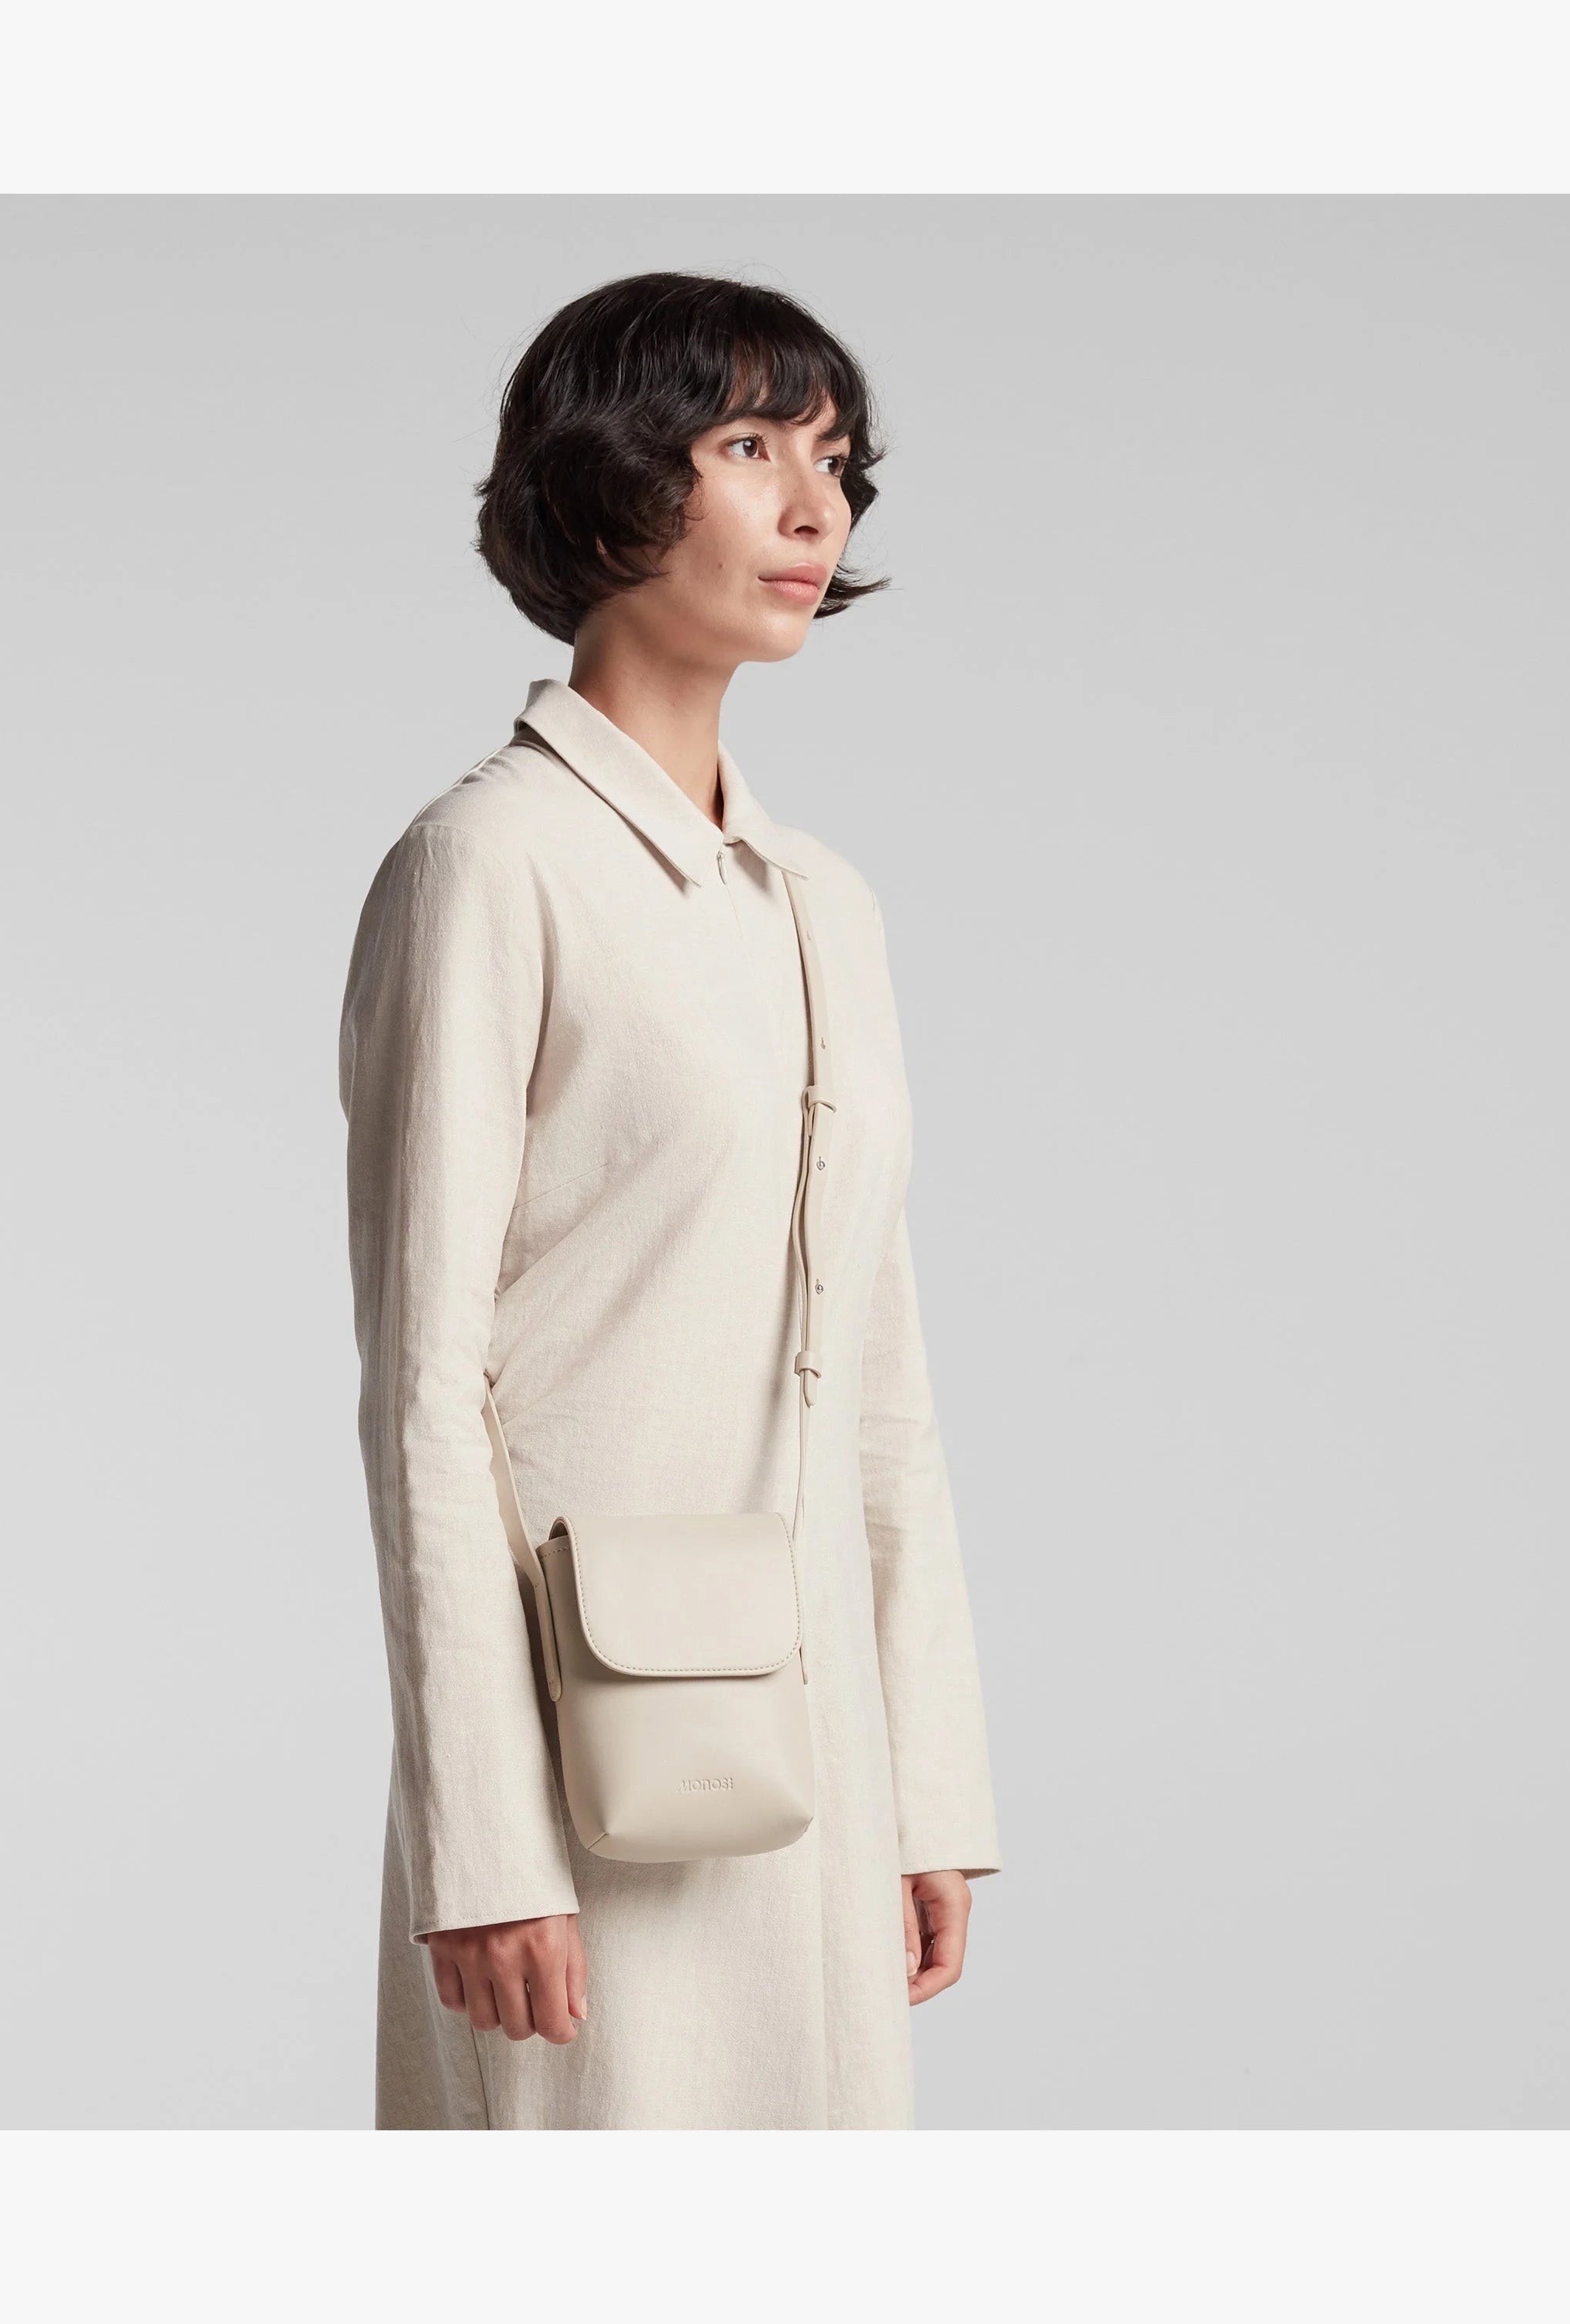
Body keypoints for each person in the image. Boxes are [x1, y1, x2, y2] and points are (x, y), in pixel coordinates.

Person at [338, 272, 1000, 2130]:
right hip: (586, 1763)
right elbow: (424, 1394)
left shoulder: (824, 906)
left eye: (835, 460)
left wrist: (927, 1790)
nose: (812, 507)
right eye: (749, 447)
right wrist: (483, 1839)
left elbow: (882, 1383)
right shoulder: (489, 866)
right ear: (611, 478)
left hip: (819, 1753)